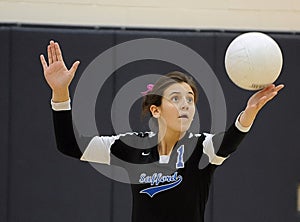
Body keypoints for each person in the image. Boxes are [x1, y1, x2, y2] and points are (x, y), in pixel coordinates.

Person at [40, 40, 284, 222]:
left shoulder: (201, 148)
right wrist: (60, 93)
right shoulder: (131, 147)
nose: (186, 105)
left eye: (190, 99)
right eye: (176, 98)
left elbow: (229, 142)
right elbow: (69, 144)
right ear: (156, 110)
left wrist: (249, 112)